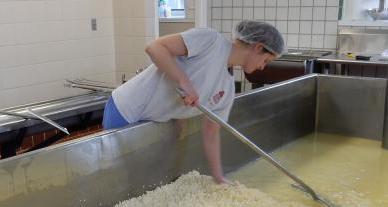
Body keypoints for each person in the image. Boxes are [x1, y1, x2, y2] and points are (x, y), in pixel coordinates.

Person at [102, 20, 285, 184]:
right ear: (258, 47)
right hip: (126, 108)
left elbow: (211, 134)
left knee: (137, 179)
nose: (263, 67)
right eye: (266, 60)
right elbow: (155, 47)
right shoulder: (210, 41)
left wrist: (218, 177)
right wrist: (184, 82)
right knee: (115, 178)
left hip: (153, 118)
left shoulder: (227, 89)